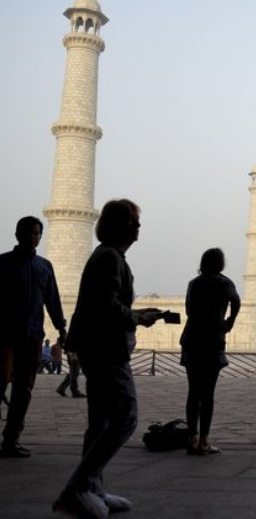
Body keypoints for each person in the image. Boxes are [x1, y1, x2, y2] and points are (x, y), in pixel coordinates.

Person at [54, 199, 160, 518]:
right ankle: (78, 488)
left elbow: (106, 303)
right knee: (126, 416)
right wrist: (138, 318)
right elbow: (105, 306)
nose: (137, 226)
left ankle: (93, 489)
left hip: (98, 347)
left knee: (99, 423)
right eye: (131, 220)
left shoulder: (111, 257)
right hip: (105, 349)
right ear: (116, 224)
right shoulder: (109, 258)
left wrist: (135, 315)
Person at [0, 216, 66, 457]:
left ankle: (11, 440)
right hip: (5, 336)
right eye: (29, 233)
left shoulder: (44, 266)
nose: (33, 237)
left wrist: (61, 328)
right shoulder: (3, 264)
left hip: (33, 336)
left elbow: (53, 301)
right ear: (17, 234)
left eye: (37, 233)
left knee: (23, 390)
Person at [180, 248, 241, 455]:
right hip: (212, 340)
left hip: (191, 339)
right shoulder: (224, 283)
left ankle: (191, 438)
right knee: (207, 394)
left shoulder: (194, 283)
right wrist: (229, 321)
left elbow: (188, 310)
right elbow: (237, 301)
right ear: (221, 264)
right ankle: (204, 441)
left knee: (193, 392)